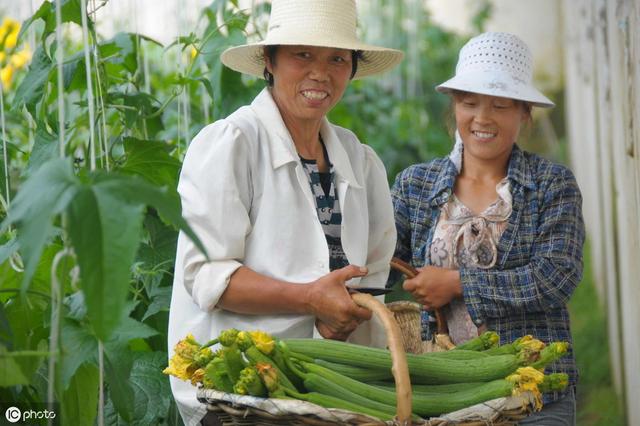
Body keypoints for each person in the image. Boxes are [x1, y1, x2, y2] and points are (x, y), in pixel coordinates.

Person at [168, 1, 403, 424]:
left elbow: (372, 269)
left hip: (331, 385)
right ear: (269, 62)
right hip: (241, 391)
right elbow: (207, 275)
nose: (321, 73)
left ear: (351, 69)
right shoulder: (234, 143)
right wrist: (310, 299)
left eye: (337, 58)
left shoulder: (358, 158)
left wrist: (345, 313)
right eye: (302, 55)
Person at [391, 32, 584, 425]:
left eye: (501, 104)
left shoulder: (551, 184)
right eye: (469, 102)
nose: (482, 117)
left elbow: (556, 275)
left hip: (534, 392)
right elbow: (381, 257)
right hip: (443, 392)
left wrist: (459, 284)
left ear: (524, 113)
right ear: (454, 107)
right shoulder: (416, 185)